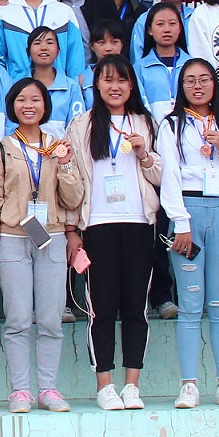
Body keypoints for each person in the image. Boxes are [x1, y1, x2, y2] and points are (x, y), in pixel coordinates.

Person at [0, 78, 86, 413]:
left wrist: (65, 164)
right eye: (22, 99)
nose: (29, 105)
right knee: (18, 318)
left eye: (36, 99)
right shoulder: (1, 149)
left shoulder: (57, 147)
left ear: (45, 105)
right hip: (13, 237)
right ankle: (21, 390)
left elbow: (73, 198)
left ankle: (49, 388)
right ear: (12, 105)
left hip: (51, 237)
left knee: (51, 319)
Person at [64, 57, 162, 410]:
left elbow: (162, 176)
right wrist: (72, 229)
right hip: (97, 226)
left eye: (121, 80)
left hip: (139, 223)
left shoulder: (146, 122)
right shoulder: (82, 124)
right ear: (97, 86)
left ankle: (132, 384)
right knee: (101, 309)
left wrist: (144, 154)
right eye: (107, 80)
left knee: (136, 308)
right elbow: (70, 180)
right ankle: (104, 384)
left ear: (132, 85)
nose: (114, 86)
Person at [159, 59, 219, 409]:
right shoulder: (172, 125)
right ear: (181, 86)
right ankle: (189, 384)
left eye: (204, 79)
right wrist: (180, 223)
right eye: (190, 81)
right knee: (190, 304)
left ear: (215, 84)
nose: (197, 86)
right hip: (188, 212)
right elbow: (169, 177)